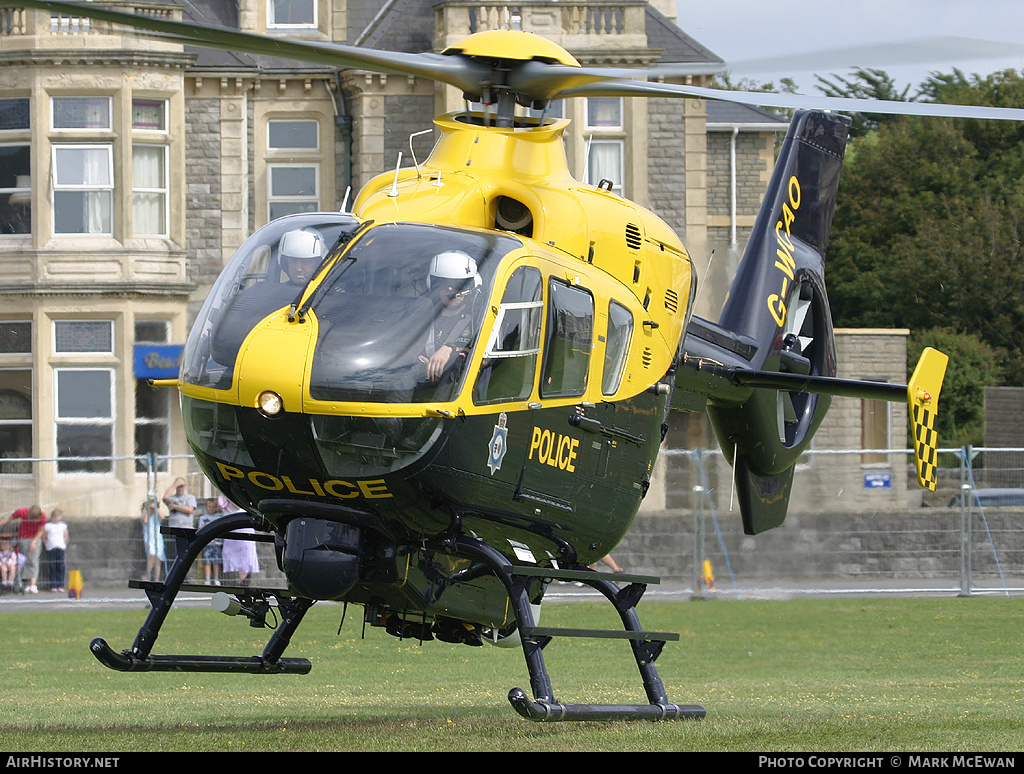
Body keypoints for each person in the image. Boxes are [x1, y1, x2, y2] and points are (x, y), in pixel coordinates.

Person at [418, 250, 480, 383]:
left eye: (459, 284)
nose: (450, 290)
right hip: (420, 380)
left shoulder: (479, 318)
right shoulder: (421, 316)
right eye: (443, 284)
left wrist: (450, 350)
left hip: (456, 389)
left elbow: (488, 358)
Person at [0, 505, 46, 594]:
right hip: (23, 538)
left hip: (34, 538)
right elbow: (10, 519)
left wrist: (34, 541)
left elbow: (41, 530)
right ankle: (26, 583)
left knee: (33, 561)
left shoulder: (43, 516)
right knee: (23, 560)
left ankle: (33, 584)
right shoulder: (22, 512)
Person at [163, 477, 197, 567]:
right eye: (178, 486)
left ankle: (185, 576)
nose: (180, 488)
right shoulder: (172, 498)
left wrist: (175, 506)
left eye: (182, 486)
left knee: (186, 556)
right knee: (176, 556)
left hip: (186, 530)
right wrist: (174, 484)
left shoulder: (190, 497)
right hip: (175, 531)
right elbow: (165, 497)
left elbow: (190, 509)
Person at [197, 498, 223, 586]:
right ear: (206, 507)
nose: (211, 508)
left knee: (216, 562)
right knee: (207, 561)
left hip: (217, 543)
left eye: (213, 507)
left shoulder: (219, 518)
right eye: (210, 507)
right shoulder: (203, 518)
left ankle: (216, 579)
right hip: (207, 543)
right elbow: (201, 528)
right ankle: (207, 579)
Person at [140, 495, 166, 582]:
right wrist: (147, 510)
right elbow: (145, 521)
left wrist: (155, 508)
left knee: (158, 557)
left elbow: (162, 517)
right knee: (152, 555)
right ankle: (146, 575)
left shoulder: (157, 515)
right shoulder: (144, 515)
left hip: (158, 537)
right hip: (149, 538)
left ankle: (157, 578)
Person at [43, 508, 69, 592]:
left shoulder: (62, 525)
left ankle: (60, 585)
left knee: (60, 566)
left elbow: (66, 535)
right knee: (52, 566)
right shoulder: (48, 526)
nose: (57, 519)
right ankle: (53, 585)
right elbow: (44, 536)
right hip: (51, 547)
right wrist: (46, 544)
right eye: (55, 517)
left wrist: (65, 542)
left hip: (60, 547)